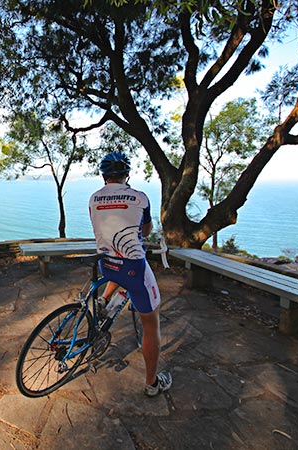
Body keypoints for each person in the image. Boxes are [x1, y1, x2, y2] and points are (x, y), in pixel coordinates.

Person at [88, 151, 172, 397]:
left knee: (116, 267)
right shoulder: (140, 197)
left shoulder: (93, 198)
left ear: (103, 176)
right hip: (133, 268)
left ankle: (104, 300)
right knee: (151, 324)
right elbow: (145, 230)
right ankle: (152, 383)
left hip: (106, 263)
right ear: (126, 175)